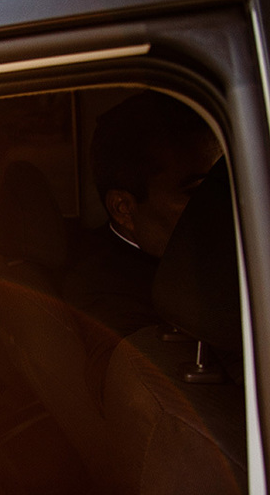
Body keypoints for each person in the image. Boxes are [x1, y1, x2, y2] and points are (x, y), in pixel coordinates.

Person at [62, 91, 222, 395]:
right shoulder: (102, 290)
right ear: (123, 208)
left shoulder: (199, 260)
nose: (223, 206)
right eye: (197, 192)